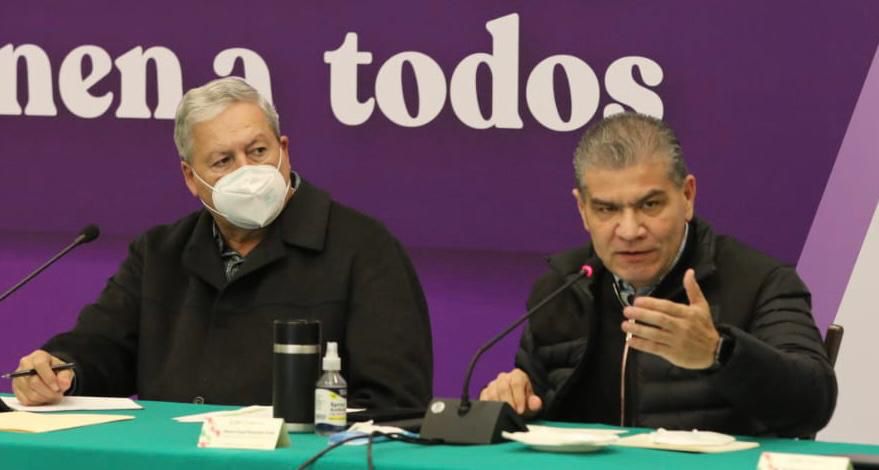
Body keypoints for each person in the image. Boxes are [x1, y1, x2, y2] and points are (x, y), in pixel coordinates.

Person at [12, 77, 433, 409]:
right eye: (223, 161)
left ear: (284, 150)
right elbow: (104, 347)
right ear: (191, 178)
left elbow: (395, 400)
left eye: (258, 151)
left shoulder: (364, 248)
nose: (247, 172)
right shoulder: (160, 253)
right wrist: (60, 369)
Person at [479, 112, 836, 437]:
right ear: (583, 209)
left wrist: (719, 352)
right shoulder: (561, 287)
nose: (630, 230)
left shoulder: (760, 282)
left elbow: (813, 405)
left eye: (650, 205)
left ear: (687, 196)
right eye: (606, 209)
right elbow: (534, 411)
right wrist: (514, 399)